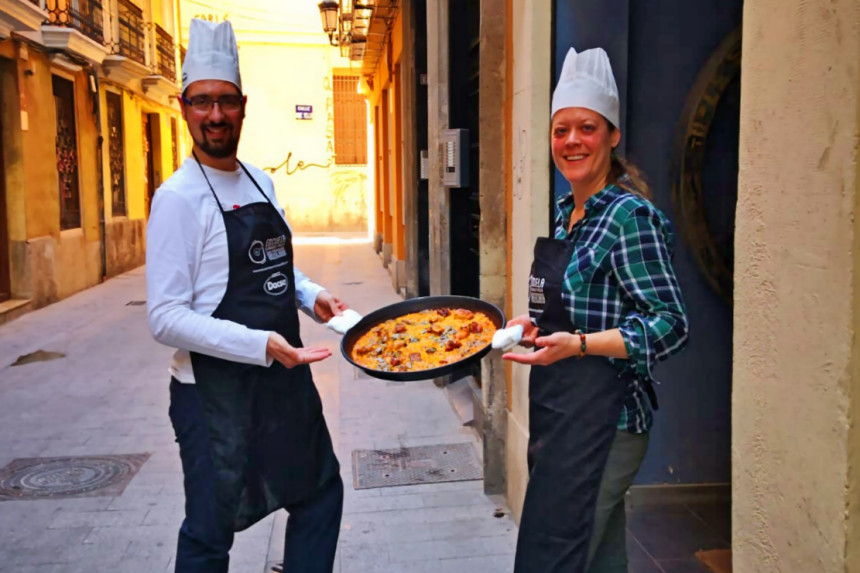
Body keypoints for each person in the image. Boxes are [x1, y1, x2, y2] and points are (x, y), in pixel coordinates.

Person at [146, 19, 346, 573]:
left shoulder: (261, 181)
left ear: (242, 106)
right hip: (213, 397)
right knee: (211, 535)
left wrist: (312, 295)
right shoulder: (177, 199)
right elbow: (165, 317)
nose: (215, 115)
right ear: (184, 107)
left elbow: (274, 265)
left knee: (320, 493)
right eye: (203, 102)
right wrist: (261, 344)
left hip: (282, 385)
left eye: (226, 101)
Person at [503, 47, 689, 573]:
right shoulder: (567, 212)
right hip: (562, 414)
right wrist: (532, 326)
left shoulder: (631, 216)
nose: (572, 141)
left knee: (557, 557)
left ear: (612, 136)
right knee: (599, 557)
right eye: (561, 131)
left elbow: (671, 325)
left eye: (587, 128)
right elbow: (578, 309)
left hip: (608, 424)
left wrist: (581, 345)